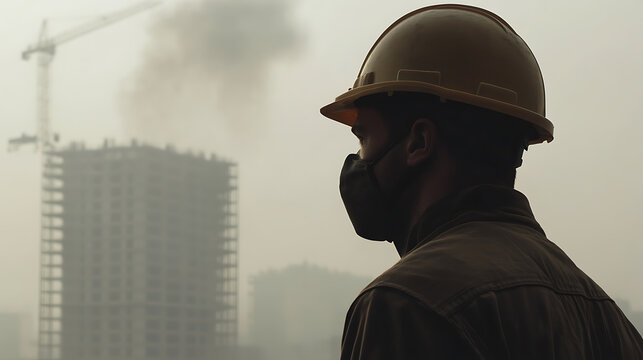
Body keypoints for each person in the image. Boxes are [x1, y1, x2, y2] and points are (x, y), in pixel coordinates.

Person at [320, 4, 643, 359]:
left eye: (363, 138)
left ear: (418, 142)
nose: (359, 161)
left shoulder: (404, 304)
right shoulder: (604, 315)